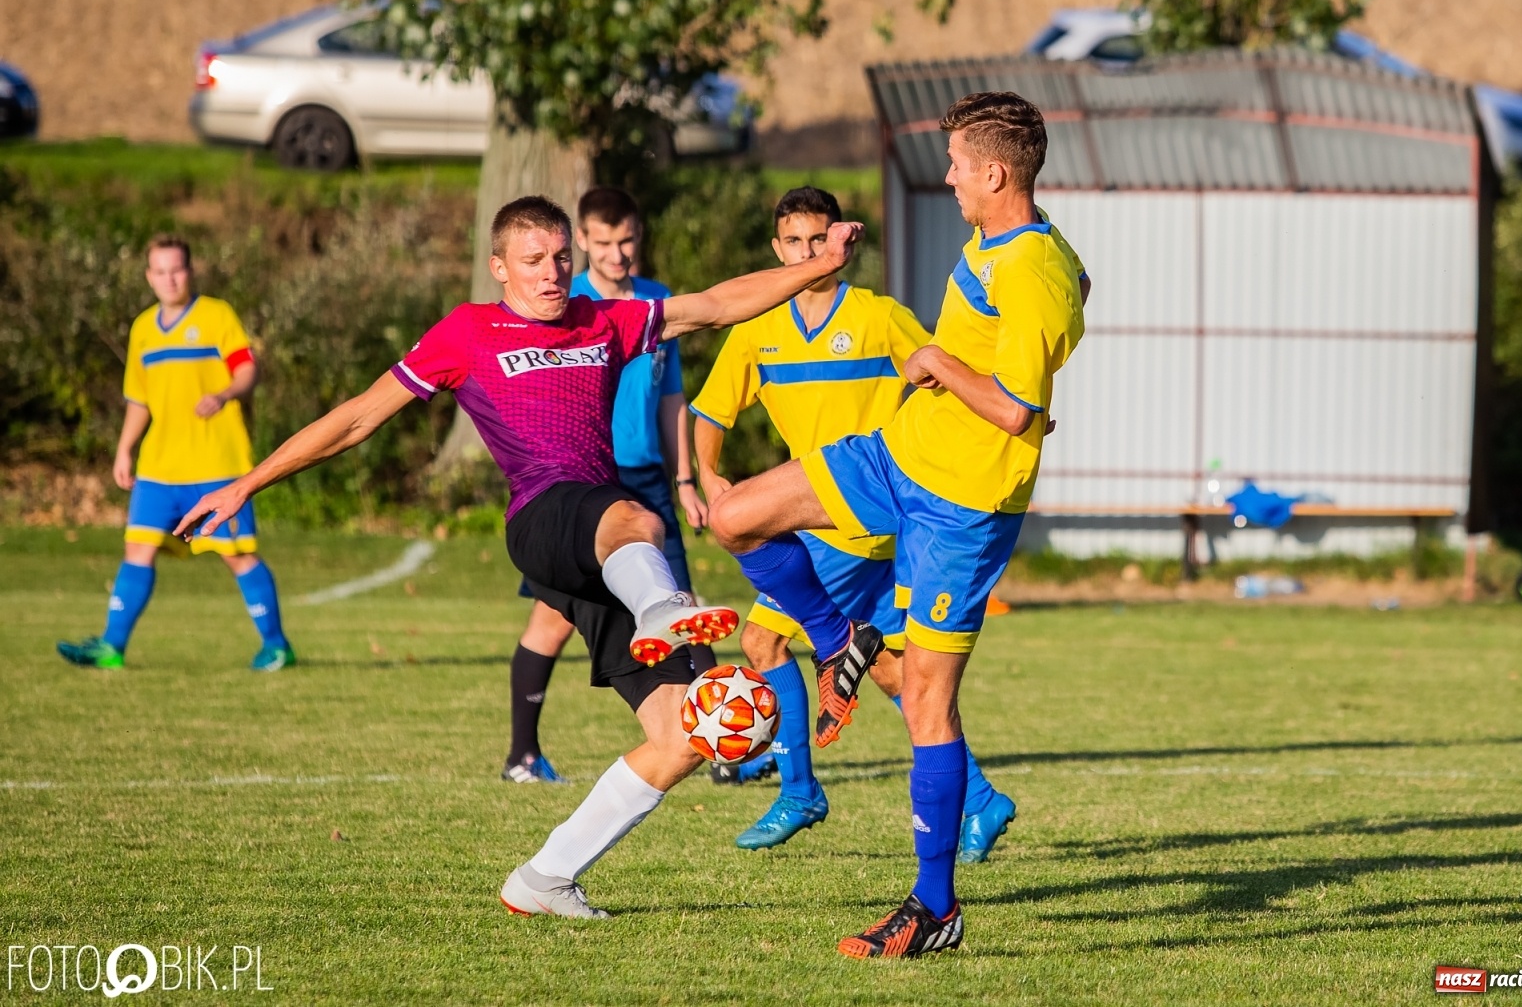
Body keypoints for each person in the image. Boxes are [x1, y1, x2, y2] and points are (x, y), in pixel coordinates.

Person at [176, 195, 863, 920]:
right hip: (542, 519)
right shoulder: (466, 332)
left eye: (562, 257)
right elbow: (354, 418)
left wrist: (822, 264)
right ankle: (663, 608)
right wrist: (249, 481)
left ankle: (544, 877)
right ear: (498, 265)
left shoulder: (602, 319)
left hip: (606, 544)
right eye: (533, 260)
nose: (552, 272)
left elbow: (720, 304)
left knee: (683, 732)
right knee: (635, 514)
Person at [708, 92, 1088, 957]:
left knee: (924, 699)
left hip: (964, 506)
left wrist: (938, 361)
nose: (948, 175)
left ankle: (934, 906)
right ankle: (838, 637)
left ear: (995, 173)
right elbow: (1076, 292)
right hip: (895, 458)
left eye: (957, 163)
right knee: (734, 516)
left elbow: (1019, 411)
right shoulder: (1020, 244)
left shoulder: (1029, 267)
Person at [692, 186, 1015, 860]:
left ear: (840, 241)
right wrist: (704, 473)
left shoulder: (878, 317)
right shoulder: (758, 328)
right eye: (796, 243)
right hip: (811, 508)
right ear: (778, 251)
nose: (810, 253)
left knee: (762, 642)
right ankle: (982, 799)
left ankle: (800, 788)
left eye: (819, 240)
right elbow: (709, 413)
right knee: (896, 672)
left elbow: (944, 374)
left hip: (858, 513)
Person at [502, 187, 710, 787]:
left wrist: (686, 476)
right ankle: (522, 754)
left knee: (682, 608)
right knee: (553, 619)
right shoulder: (565, 303)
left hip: (645, 479)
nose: (618, 254)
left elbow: (672, 396)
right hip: (578, 485)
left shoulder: (656, 301)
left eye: (627, 241)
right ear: (583, 243)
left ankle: (718, 740)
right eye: (604, 242)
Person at [56, 235, 292, 672]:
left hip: (216, 463)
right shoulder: (143, 329)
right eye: (160, 271)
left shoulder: (217, 315)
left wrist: (224, 394)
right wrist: (125, 449)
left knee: (236, 555)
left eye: (177, 269)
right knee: (137, 550)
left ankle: (277, 646)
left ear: (191, 271)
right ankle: (111, 647)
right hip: (159, 467)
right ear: (149, 277)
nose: (169, 278)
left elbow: (247, 369)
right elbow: (138, 400)